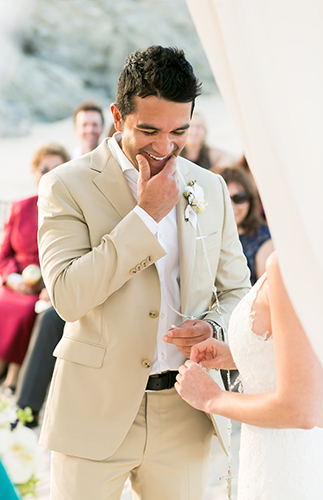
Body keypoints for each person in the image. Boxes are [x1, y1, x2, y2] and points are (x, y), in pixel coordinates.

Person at [37, 45, 250, 500]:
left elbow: (237, 291)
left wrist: (213, 326)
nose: (164, 147)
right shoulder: (65, 185)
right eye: (148, 129)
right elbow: (68, 296)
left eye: (178, 132)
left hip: (185, 406)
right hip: (94, 405)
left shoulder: (209, 187)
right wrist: (146, 218)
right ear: (118, 117)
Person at [175, 251, 323, 499]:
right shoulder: (304, 253)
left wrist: (211, 398)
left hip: (286, 462)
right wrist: (244, 354)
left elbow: (300, 410)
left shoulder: (288, 263)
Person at [0, 144, 70, 391]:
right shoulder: (20, 207)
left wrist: (51, 286)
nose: (49, 175)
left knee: (29, 311)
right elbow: (4, 253)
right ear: (34, 173)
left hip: (45, 285)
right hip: (17, 280)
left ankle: (14, 377)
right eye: (44, 169)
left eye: (57, 169)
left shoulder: (69, 211)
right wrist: (11, 278)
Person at [220, 166, 273, 284]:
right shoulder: (205, 234)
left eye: (239, 198)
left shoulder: (263, 238)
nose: (232, 207)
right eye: (224, 199)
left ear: (250, 199)